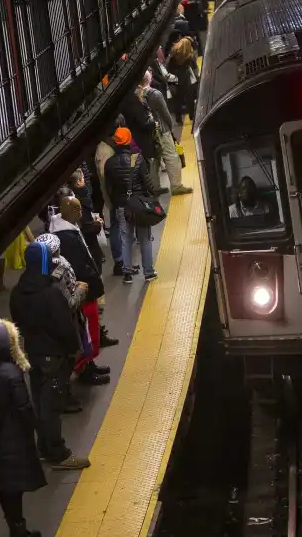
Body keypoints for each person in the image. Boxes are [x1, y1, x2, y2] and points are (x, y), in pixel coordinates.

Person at [9, 241, 91, 470]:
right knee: (52, 405)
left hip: (34, 354)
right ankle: (58, 453)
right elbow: (64, 326)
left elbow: (17, 322)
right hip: (56, 356)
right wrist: (73, 350)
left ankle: (43, 447)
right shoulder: (51, 292)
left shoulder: (18, 291)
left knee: (40, 402)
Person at [0, 320, 46, 537]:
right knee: (15, 487)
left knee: (6, 487)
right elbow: (23, 406)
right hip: (14, 436)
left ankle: (15, 527)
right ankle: (19, 531)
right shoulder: (11, 373)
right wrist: (35, 427)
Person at [51, 195, 113, 383]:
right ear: (68, 211)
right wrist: (92, 279)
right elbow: (78, 265)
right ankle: (84, 369)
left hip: (84, 290)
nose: (80, 213)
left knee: (90, 329)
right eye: (77, 209)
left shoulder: (67, 230)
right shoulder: (66, 237)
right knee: (85, 330)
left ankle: (89, 364)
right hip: (81, 291)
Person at [105, 127, 159, 284]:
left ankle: (127, 274)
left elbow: (109, 188)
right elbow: (148, 184)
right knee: (145, 239)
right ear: (129, 140)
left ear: (115, 142)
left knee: (126, 239)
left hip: (121, 206)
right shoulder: (139, 159)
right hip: (139, 205)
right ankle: (148, 272)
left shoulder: (109, 164)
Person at [140, 70, 192, 196]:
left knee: (155, 159)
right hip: (162, 129)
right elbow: (165, 113)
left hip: (147, 131)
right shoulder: (155, 94)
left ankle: (155, 186)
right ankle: (176, 185)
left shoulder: (138, 95)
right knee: (171, 157)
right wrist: (170, 126)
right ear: (149, 79)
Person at [167, 37, 199, 126]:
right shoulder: (188, 55)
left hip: (175, 78)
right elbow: (194, 66)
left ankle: (178, 118)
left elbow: (168, 66)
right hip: (185, 76)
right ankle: (192, 116)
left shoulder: (173, 52)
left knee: (178, 99)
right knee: (190, 96)